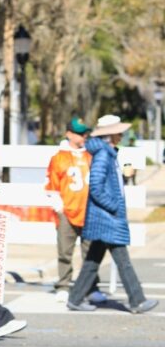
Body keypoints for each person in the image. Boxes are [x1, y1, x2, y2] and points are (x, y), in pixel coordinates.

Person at [67, 115, 157, 314]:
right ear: (110, 134)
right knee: (122, 259)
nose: (121, 135)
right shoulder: (103, 155)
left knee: (93, 260)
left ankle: (75, 298)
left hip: (103, 217)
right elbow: (96, 187)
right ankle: (137, 300)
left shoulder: (108, 153)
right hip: (106, 217)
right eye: (118, 132)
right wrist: (114, 206)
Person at [46, 117, 100, 301]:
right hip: (67, 210)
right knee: (64, 250)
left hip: (89, 211)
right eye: (79, 133)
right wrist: (58, 205)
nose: (83, 136)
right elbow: (52, 184)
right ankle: (63, 284)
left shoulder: (90, 155)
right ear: (69, 134)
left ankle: (91, 286)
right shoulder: (59, 157)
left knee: (91, 252)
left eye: (85, 133)